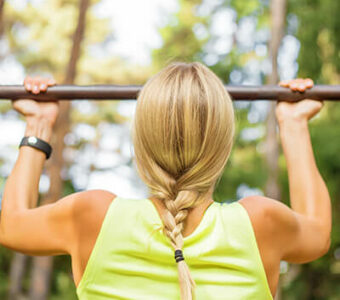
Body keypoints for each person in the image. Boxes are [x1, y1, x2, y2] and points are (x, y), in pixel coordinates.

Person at [0, 62, 331, 300]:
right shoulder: (262, 222)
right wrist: (293, 124)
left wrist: (38, 124)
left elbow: (10, 225)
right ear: (221, 145)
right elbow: (318, 228)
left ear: (141, 144)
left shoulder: (92, 216)